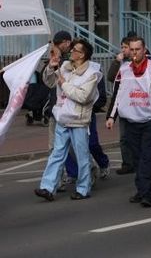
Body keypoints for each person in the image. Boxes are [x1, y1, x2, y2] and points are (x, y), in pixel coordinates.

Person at [34, 38, 101, 201]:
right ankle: (48, 187)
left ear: (83, 55)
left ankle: (83, 188)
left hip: (78, 119)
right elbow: (49, 82)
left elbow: (83, 96)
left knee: (81, 155)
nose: (71, 52)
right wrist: (51, 66)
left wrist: (64, 85)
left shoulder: (92, 73)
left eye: (76, 50)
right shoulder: (64, 67)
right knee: (57, 154)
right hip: (62, 117)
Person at [106, 36, 151, 208]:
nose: (134, 53)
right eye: (131, 50)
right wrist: (111, 117)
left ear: (144, 49)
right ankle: (141, 190)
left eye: (137, 49)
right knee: (137, 159)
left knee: (147, 158)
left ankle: (148, 193)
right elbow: (117, 94)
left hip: (149, 121)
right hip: (130, 122)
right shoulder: (124, 70)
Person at [107, 36, 135, 174]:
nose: (123, 50)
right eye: (122, 47)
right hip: (123, 104)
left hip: (136, 104)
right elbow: (111, 77)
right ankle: (127, 163)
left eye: (126, 47)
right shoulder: (121, 63)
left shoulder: (139, 62)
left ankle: (139, 161)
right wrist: (117, 62)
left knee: (136, 136)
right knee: (124, 137)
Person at [44, 30, 72, 151]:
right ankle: (56, 170)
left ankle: (90, 167)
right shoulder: (55, 59)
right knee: (54, 147)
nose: (56, 47)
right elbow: (49, 82)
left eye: (58, 44)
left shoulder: (72, 60)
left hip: (70, 110)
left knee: (73, 146)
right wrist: (51, 65)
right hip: (55, 109)